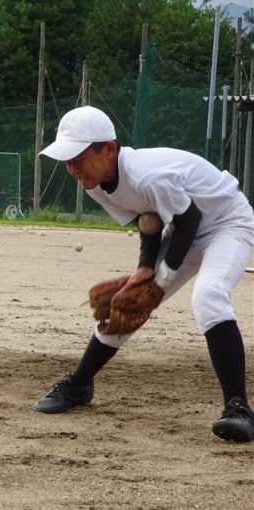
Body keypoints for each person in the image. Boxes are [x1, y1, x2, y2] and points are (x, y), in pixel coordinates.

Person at [33, 105, 254, 442]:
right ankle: (79, 385)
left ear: (109, 149)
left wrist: (161, 280)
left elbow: (189, 219)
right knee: (127, 305)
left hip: (227, 224)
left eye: (79, 158)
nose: (73, 168)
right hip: (183, 229)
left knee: (209, 295)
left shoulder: (146, 174)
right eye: (68, 160)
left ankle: (239, 408)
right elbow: (148, 219)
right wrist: (146, 268)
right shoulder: (95, 184)